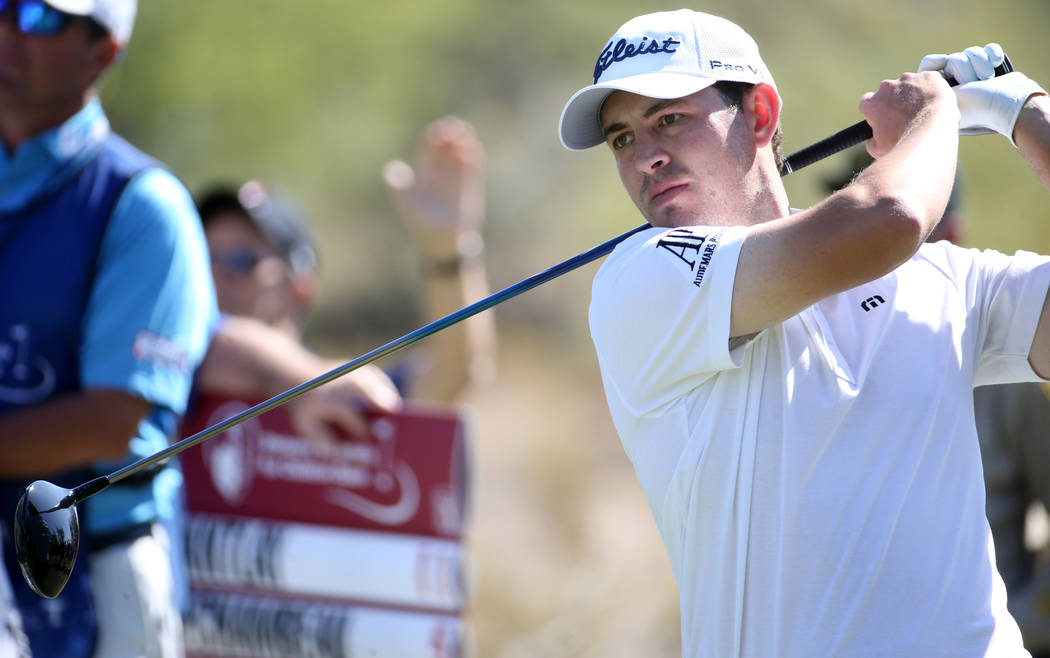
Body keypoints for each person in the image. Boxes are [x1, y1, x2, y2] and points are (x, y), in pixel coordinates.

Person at [558, 9, 1050, 656]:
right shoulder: (643, 281)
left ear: (759, 114)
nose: (645, 156)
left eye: (669, 118)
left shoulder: (946, 279)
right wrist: (938, 117)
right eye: (621, 138)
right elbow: (888, 216)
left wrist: (1024, 112)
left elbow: (885, 230)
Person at [0, 1, 213, 657]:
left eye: (38, 17)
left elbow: (110, 418)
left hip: (92, 567)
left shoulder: (143, 205)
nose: (8, 30)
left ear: (104, 52)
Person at [826, 151, 1050, 655]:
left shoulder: (1014, 381)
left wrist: (1025, 630)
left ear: (947, 235)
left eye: (880, 222)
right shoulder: (822, 355)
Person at [195, 116, 495, 414]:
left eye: (240, 261)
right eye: (203, 257)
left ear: (299, 291)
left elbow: (455, 372)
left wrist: (447, 248)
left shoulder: (344, 395)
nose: (215, 273)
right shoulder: (171, 375)